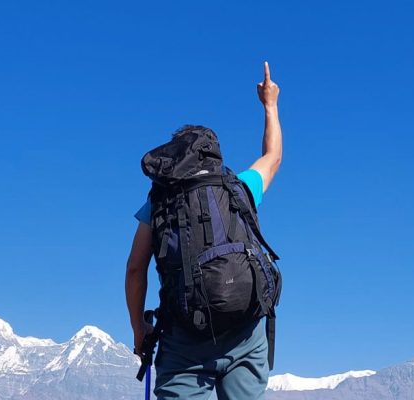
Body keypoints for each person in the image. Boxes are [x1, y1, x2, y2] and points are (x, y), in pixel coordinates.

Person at [125, 61, 283, 400]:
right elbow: (273, 157)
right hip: (245, 332)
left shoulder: (160, 202)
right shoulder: (238, 189)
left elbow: (136, 269)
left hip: (185, 339)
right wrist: (270, 104)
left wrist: (139, 330)